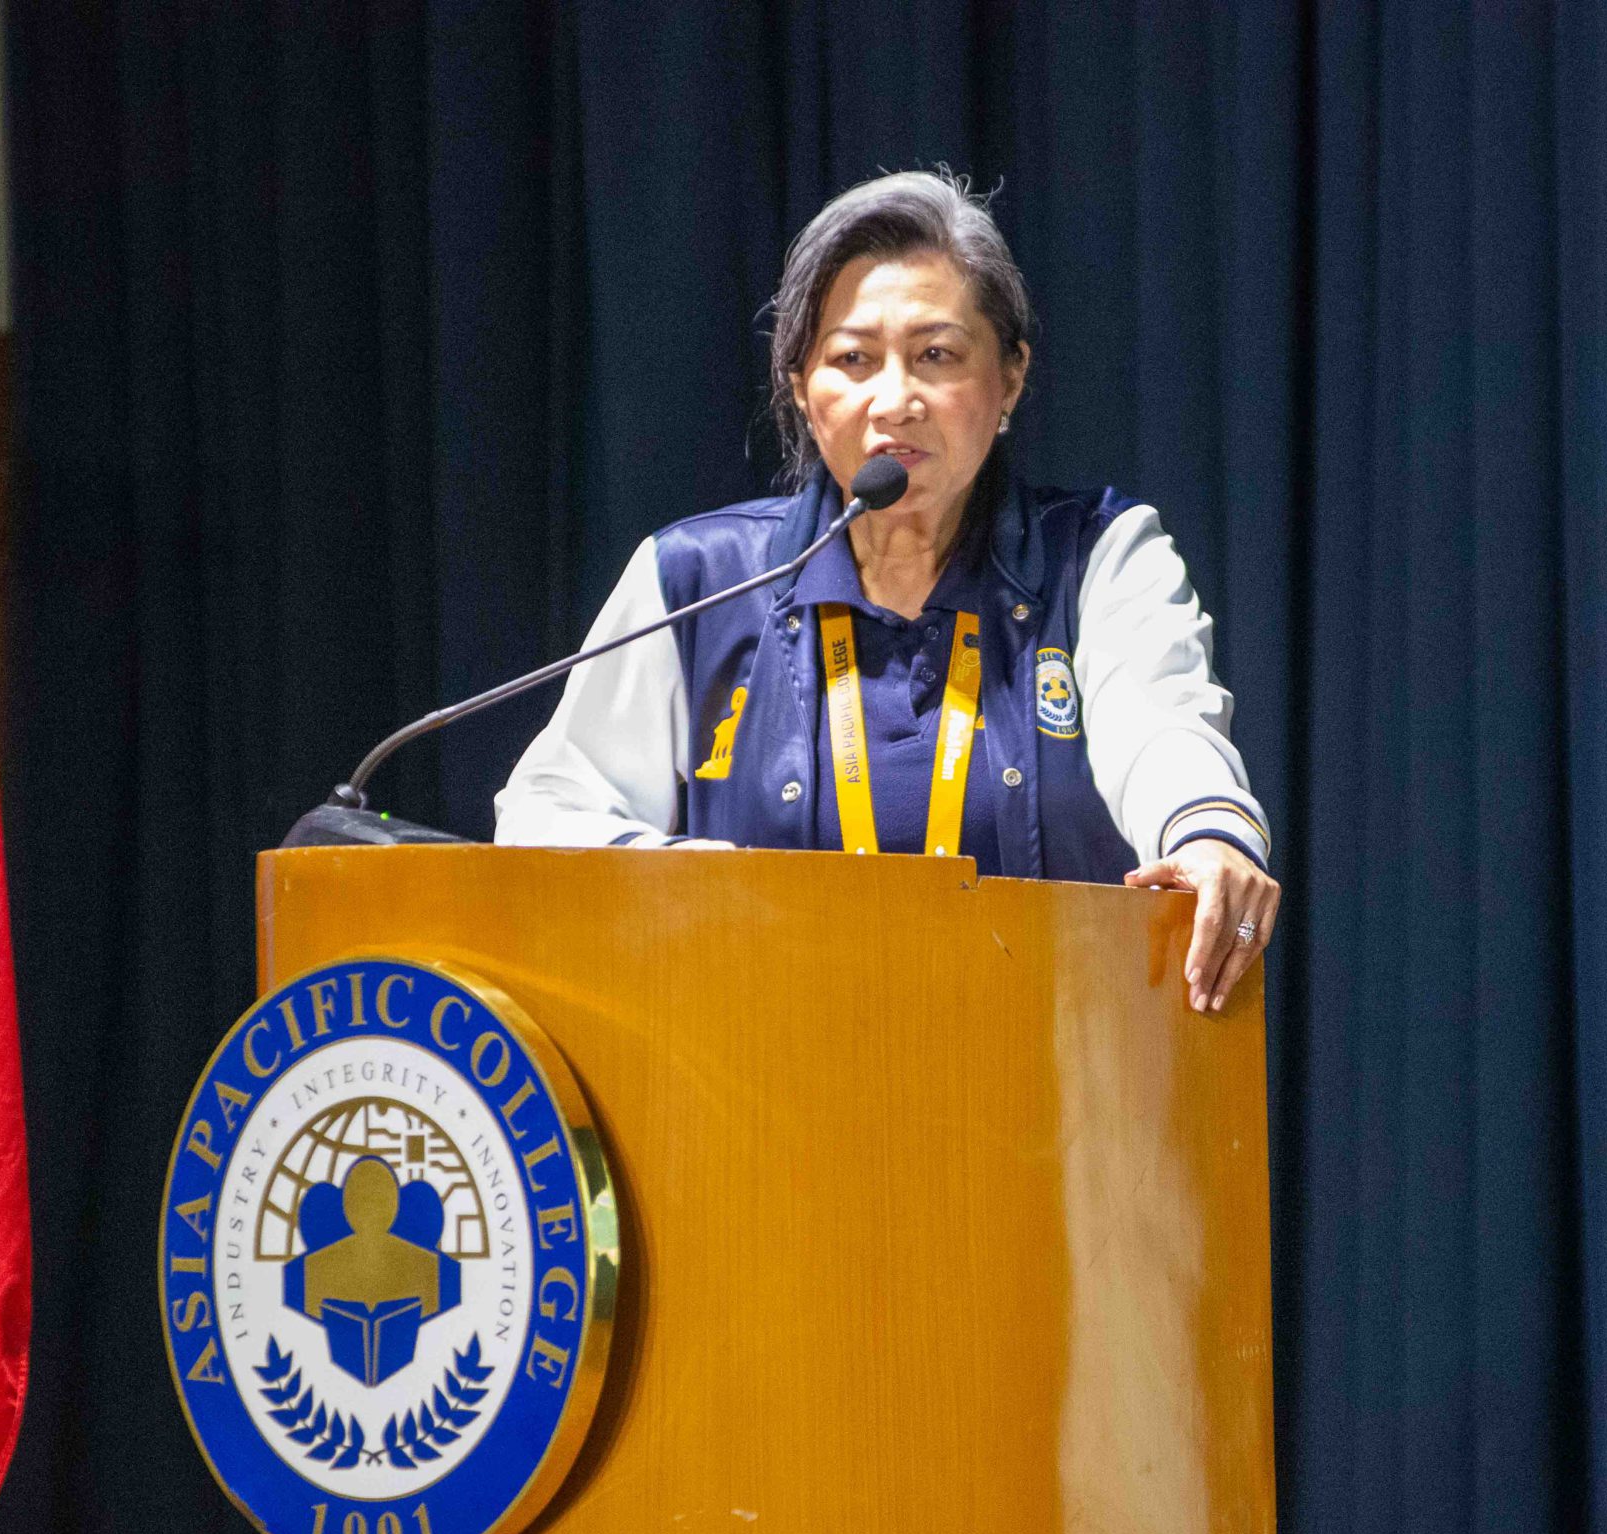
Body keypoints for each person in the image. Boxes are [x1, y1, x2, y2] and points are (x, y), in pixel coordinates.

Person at [496, 170, 1280, 1011]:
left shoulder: (1098, 556)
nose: (894, 400)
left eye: (936, 355)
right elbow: (550, 811)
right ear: (801, 386)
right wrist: (704, 884)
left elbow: (1162, 729)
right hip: (765, 1095)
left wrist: (1206, 832)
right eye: (853, 359)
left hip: (1054, 1097)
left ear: (1011, 377)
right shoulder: (700, 581)